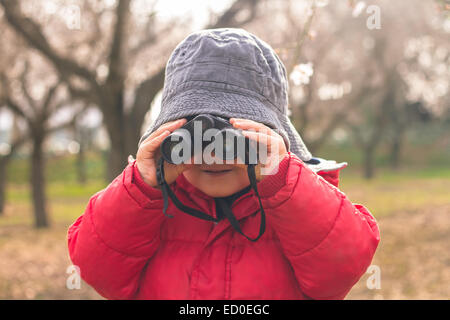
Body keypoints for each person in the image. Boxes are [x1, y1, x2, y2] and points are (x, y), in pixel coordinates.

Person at [67, 28, 380, 300]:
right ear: (168, 135)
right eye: (196, 135)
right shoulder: (152, 208)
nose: (214, 154)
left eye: (236, 137)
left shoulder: (293, 203)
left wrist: (283, 181)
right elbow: (98, 271)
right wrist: (141, 186)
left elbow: (339, 271)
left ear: (274, 137)